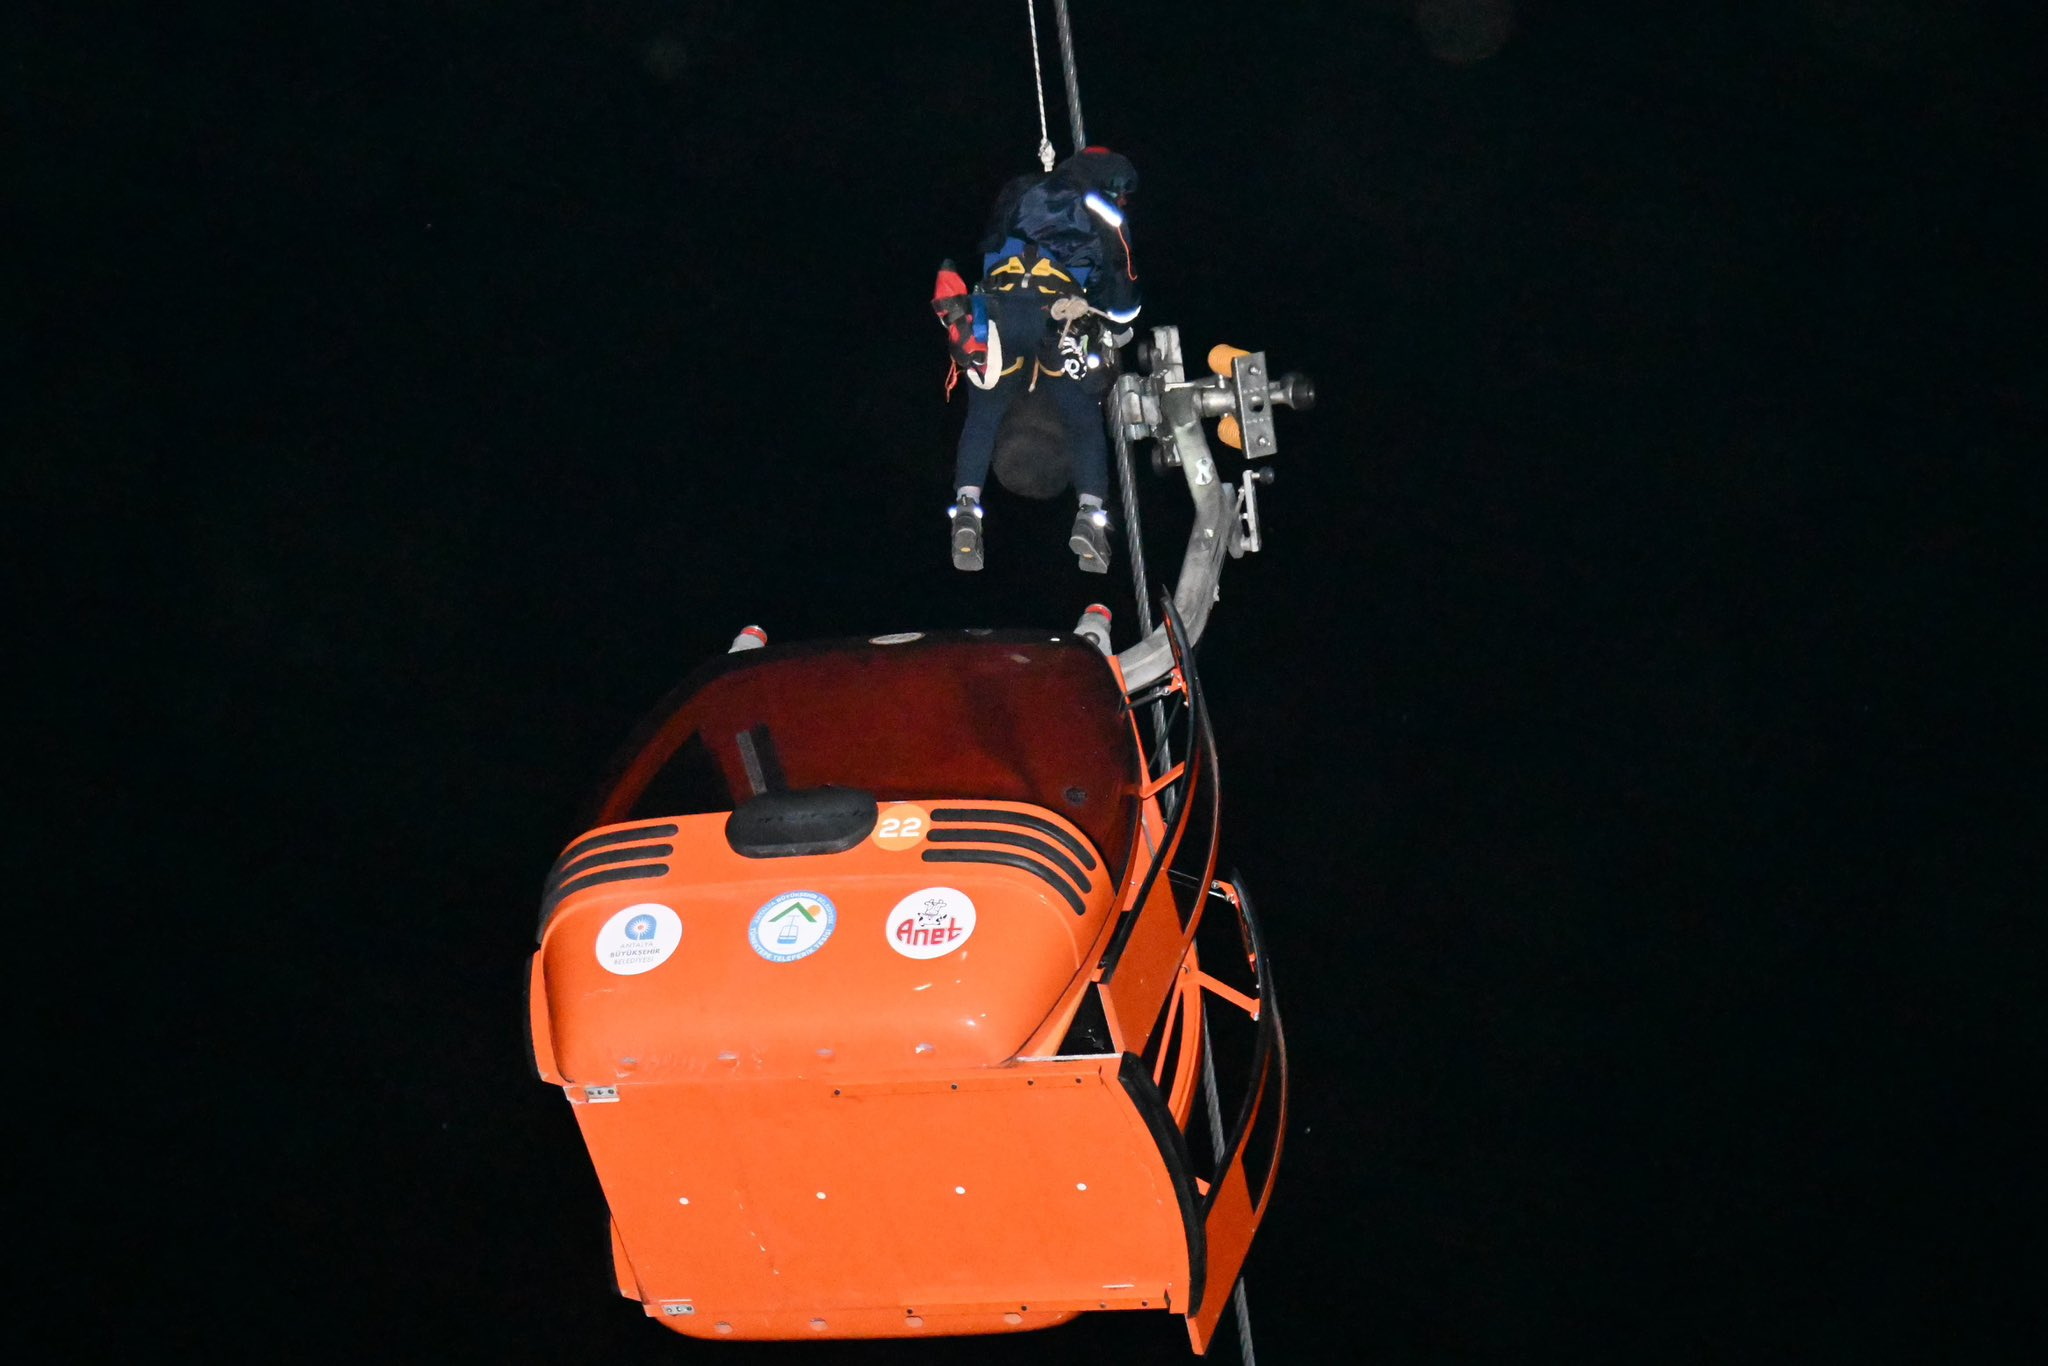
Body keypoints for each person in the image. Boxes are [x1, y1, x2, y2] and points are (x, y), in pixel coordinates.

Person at [931, 147, 1141, 573]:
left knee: (984, 413)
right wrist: (1116, 322)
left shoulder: (1021, 190)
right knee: (1082, 417)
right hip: (1056, 314)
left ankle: (967, 508)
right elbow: (1122, 297)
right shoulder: (1108, 214)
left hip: (1000, 309)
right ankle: (1090, 517)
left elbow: (992, 239)